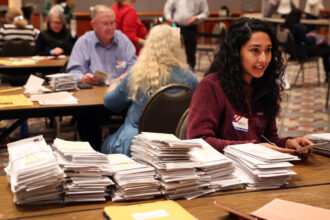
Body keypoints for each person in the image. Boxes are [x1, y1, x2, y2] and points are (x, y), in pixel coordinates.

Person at [187, 17, 313, 156]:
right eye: (255, 50)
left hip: (258, 172)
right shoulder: (211, 87)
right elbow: (198, 141)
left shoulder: (264, 87)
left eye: (268, 50)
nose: (263, 59)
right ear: (236, 52)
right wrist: (253, 148)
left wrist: (287, 143)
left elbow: (268, 139)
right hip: (221, 173)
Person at [101, 24, 199, 156]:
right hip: (175, 146)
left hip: (137, 145)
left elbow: (110, 103)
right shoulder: (191, 78)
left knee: (104, 142)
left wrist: (113, 85)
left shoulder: (138, 74)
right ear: (178, 47)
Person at [66, 5, 136, 151]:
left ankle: (122, 151)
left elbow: (134, 65)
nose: (110, 27)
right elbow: (73, 72)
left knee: (137, 109)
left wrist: (128, 74)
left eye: (113, 23)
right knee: (85, 115)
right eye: (105, 23)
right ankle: (94, 155)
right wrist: (83, 78)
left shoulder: (122, 40)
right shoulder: (84, 42)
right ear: (94, 24)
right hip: (93, 102)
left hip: (119, 98)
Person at [283, 9, 330, 82]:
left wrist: (306, 35)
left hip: (293, 52)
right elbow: (307, 41)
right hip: (302, 53)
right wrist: (312, 37)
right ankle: (328, 74)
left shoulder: (286, 25)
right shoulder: (298, 26)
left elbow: (300, 38)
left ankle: (328, 74)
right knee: (326, 48)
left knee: (325, 47)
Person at [164, 0, 209, 70]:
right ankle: (174, 69)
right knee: (174, 48)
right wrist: (168, 18)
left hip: (191, 27)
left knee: (191, 51)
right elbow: (168, 7)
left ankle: (191, 69)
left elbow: (205, 13)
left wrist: (197, 18)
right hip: (176, 25)